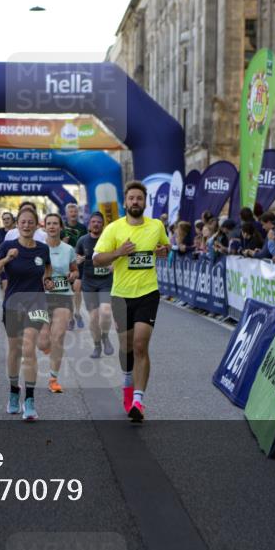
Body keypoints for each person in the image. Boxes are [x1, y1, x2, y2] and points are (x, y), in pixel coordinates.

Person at [92, 181, 170, 422]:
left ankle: (138, 400)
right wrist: (118, 253)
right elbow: (96, 259)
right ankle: (127, 381)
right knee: (125, 345)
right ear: (125, 202)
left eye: (139, 198)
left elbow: (166, 247)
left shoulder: (156, 225)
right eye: (132, 198)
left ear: (145, 202)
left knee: (139, 345)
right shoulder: (114, 228)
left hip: (148, 292)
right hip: (121, 295)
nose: (135, 202)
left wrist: (163, 251)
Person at [0, 207, 53, 422]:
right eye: (22, 222)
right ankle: (14, 391)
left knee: (28, 348)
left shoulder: (43, 249)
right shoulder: (7, 245)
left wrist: (47, 280)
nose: (26, 225)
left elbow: (48, 268)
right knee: (14, 350)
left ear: (36, 225)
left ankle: (30, 400)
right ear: (17, 224)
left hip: (37, 302)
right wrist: (6, 259)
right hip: (13, 303)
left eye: (30, 222)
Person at [43, 213, 79, 393]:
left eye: (55, 224)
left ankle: (53, 378)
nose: (52, 227)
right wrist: (44, 279)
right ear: (44, 226)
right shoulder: (38, 248)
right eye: (49, 223)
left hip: (64, 295)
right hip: (41, 297)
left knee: (58, 337)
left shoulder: (68, 249)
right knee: (43, 342)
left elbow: (74, 270)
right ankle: (46, 346)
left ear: (60, 227)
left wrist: (73, 275)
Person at [75, 212, 115, 358]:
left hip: (105, 281)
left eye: (99, 222)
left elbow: (118, 256)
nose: (96, 224)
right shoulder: (82, 240)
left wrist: (114, 265)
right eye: (93, 222)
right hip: (89, 283)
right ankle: (97, 346)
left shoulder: (109, 240)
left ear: (103, 224)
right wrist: (77, 261)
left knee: (105, 312)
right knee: (93, 318)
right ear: (89, 224)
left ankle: (105, 337)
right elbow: (76, 257)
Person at [60, 203, 88, 330]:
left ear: (78, 213)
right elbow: (55, 246)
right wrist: (63, 243)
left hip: (78, 263)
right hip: (65, 263)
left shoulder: (82, 227)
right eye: (70, 211)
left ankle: (77, 312)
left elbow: (87, 243)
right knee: (68, 291)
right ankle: (71, 317)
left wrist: (83, 256)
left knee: (77, 288)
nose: (73, 213)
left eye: (75, 211)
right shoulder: (62, 228)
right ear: (66, 214)